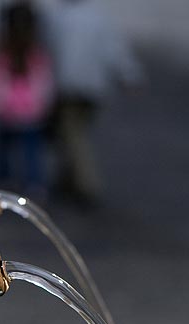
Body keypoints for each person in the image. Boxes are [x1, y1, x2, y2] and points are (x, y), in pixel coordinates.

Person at [46, 0, 143, 206]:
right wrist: (130, 75)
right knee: (72, 133)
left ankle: (87, 184)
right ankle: (66, 181)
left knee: (73, 135)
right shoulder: (99, 18)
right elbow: (115, 50)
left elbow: (48, 51)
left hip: (68, 86)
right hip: (93, 87)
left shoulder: (58, 18)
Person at [0, 2, 54, 200]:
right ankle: (34, 183)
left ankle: (3, 181)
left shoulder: (0, 56)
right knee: (31, 154)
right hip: (31, 116)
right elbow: (45, 86)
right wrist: (44, 107)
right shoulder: (37, 56)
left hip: (5, 115)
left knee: (3, 151)